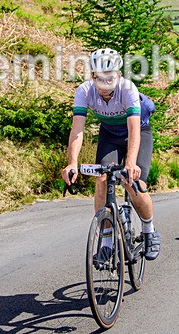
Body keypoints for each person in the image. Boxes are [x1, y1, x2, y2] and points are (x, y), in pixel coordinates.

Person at [61, 48, 160, 261]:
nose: (105, 83)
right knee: (102, 180)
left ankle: (149, 231)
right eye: (100, 77)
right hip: (110, 134)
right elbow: (77, 130)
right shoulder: (84, 91)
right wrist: (72, 163)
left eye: (110, 78)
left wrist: (131, 163)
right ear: (92, 76)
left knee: (134, 183)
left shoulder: (128, 89)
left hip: (138, 132)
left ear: (119, 75)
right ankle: (106, 242)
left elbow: (134, 130)